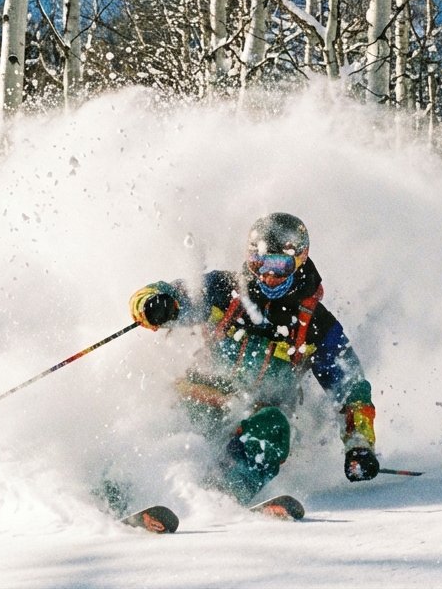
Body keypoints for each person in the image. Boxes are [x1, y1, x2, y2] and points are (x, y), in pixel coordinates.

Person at [129, 212, 380, 505]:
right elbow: (174, 293)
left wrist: (360, 445)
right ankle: (116, 492)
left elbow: (351, 388)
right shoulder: (224, 289)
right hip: (201, 398)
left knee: (274, 427)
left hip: (258, 418)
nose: (268, 275)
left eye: (279, 265)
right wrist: (154, 303)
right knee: (155, 426)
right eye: (258, 263)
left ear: (299, 260)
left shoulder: (315, 325)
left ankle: (220, 501)